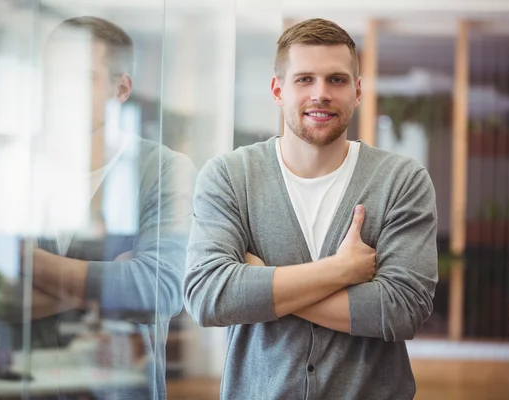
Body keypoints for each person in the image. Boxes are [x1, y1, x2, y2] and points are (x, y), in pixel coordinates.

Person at [184, 18, 438, 399]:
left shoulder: (401, 180)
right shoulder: (231, 176)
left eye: (336, 80)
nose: (321, 94)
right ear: (278, 90)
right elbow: (208, 295)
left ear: (357, 91)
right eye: (304, 79)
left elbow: (402, 309)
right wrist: (339, 271)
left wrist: (264, 281)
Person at [0, 16, 196, 400]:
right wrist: (106, 283)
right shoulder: (11, 165)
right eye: (54, 76)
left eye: (82, 77)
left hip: (115, 390)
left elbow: (159, 291)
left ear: (120, 88)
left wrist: (25, 260)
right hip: (14, 386)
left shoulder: (162, 170)